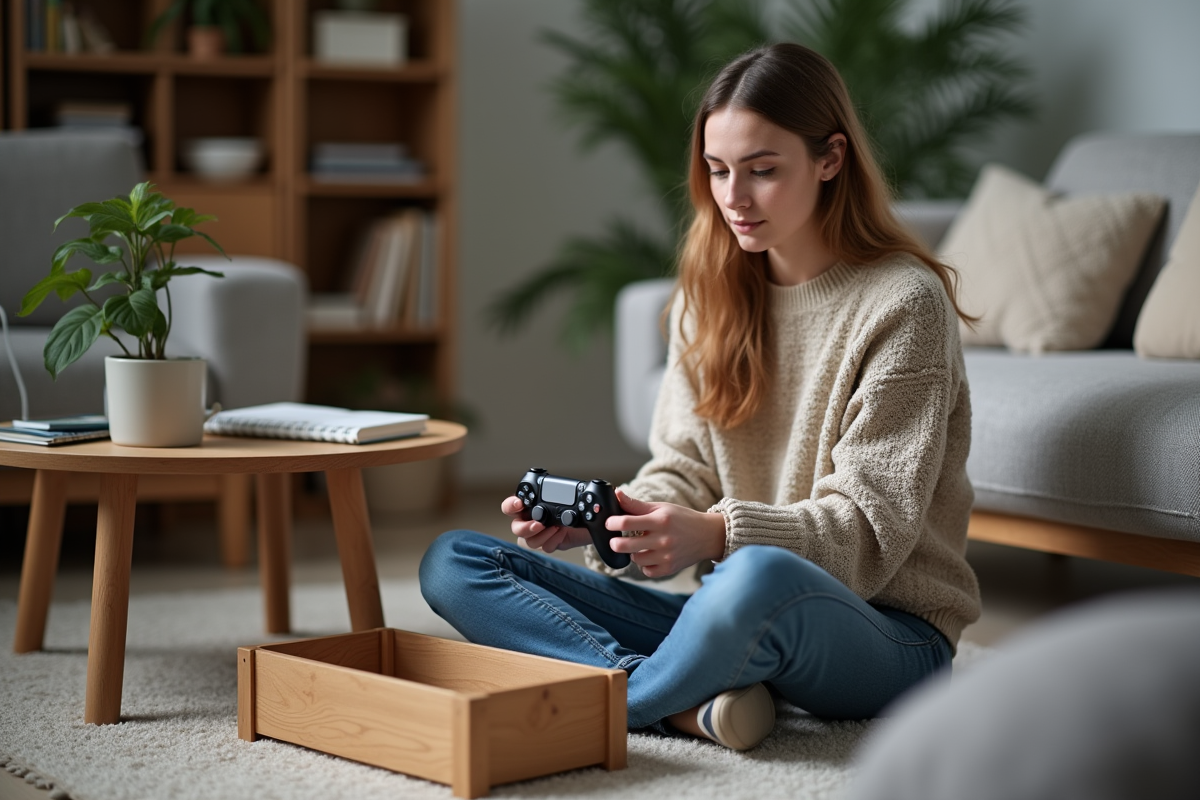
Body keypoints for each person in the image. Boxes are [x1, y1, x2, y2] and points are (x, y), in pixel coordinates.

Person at [420, 42, 981, 751]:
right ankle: (683, 704)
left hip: (890, 638)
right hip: (730, 616)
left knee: (754, 574)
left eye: (763, 171)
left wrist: (717, 535)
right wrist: (614, 525)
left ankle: (619, 706)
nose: (734, 199)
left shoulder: (905, 303)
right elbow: (681, 467)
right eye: (718, 172)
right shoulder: (709, 297)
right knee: (457, 561)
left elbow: (869, 531)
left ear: (830, 159)